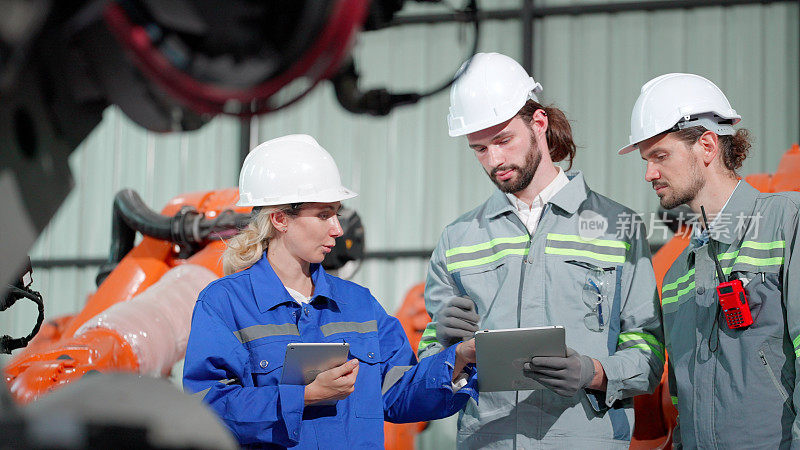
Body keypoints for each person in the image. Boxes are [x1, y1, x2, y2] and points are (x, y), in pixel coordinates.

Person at [417, 52, 664, 448]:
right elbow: (429, 365)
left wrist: (594, 372)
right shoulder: (458, 238)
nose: (494, 160)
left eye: (503, 140)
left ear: (539, 124)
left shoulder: (618, 228)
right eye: (479, 149)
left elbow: (647, 347)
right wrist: (447, 350)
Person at [183, 134, 478, 448]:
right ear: (280, 219)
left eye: (336, 212)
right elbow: (208, 408)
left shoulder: (360, 305)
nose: (337, 228)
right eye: (324, 215)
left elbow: (400, 392)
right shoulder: (225, 304)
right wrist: (304, 396)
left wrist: (459, 357)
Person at [619, 73, 800, 448]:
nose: (649, 173)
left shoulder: (786, 220)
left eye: (660, 156)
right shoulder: (675, 274)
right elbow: (683, 398)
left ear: (706, 145)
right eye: (646, 160)